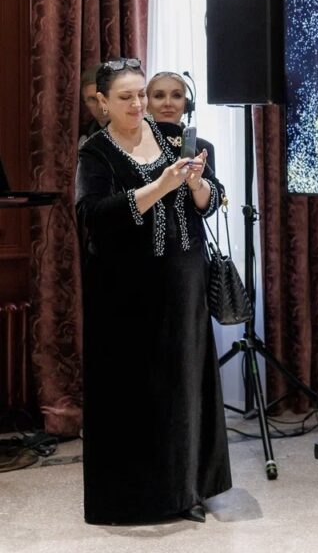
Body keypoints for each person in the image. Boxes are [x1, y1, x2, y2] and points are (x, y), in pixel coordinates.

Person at [76, 57, 232, 524]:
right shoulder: (96, 151)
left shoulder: (174, 139)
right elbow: (92, 216)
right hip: (124, 290)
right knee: (133, 389)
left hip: (184, 282)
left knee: (184, 385)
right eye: (126, 97)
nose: (139, 104)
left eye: (141, 94)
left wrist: (198, 185)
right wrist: (159, 187)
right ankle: (136, 498)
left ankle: (188, 490)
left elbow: (211, 200)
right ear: (103, 102)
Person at [146, 71, 216, 171]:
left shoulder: (203, 148)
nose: (168, 103)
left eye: (176, 96)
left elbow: (213, 182)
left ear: (186, 105)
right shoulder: (133, 145)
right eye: (159, 96)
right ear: (147, 104)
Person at [78, 63, 109, 148]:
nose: (101, 106)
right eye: (92, 99)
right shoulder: (83, 137)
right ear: (85, 102)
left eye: (105, 96)